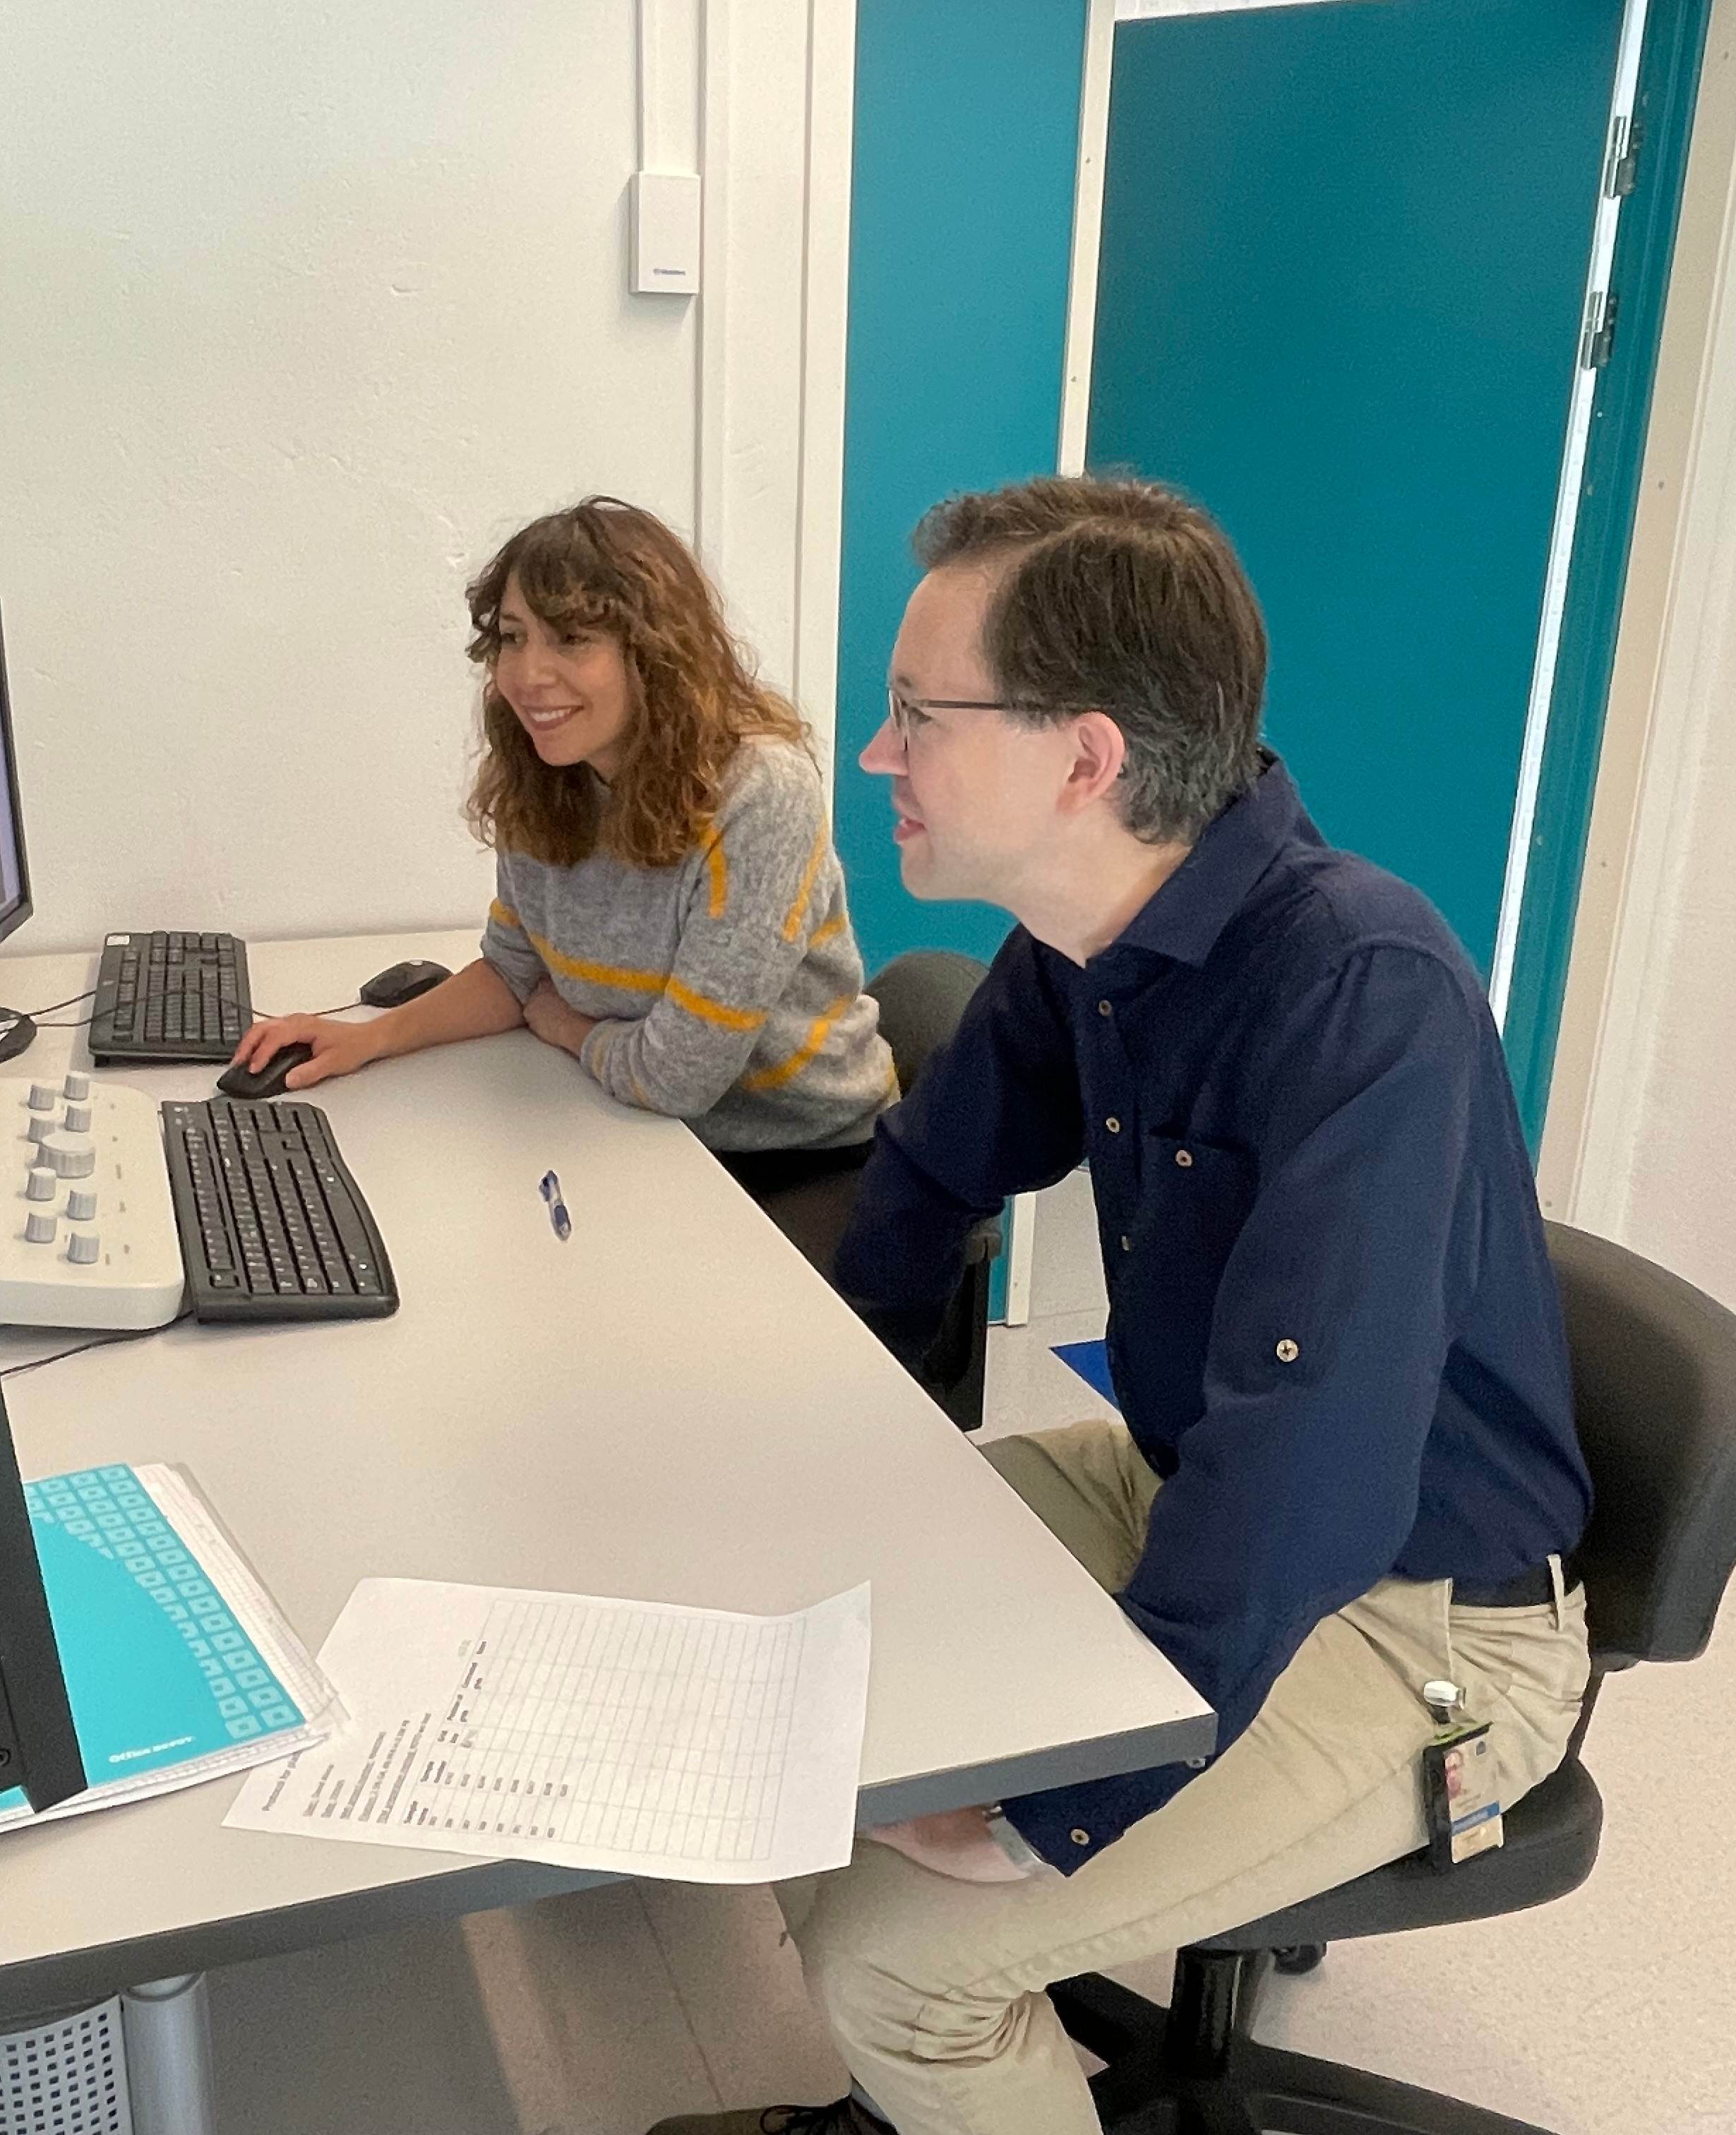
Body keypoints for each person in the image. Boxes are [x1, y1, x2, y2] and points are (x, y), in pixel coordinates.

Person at [650, 476, 1593, 2135]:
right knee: (774, 1656)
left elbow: (1311, 1476)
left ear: (1081, 759)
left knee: (897, 1962)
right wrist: (811, 1448)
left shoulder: (1361, 994)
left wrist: (1063, 1806)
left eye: (915, 716)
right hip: (1189, 1493)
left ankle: (933, 2040)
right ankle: (946, 2084)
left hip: (1422, 1619)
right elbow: (930, 1183)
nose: (877, 758)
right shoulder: (1083, 939)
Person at [232, 498, 895, 1220]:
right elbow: (517, 974)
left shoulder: (758, 791)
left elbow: (675, 1078)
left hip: (801, 1159)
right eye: (513, 638)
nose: (528, 674)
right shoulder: (550, 772)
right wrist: (368, 1040)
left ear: (655, 651)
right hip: (642, 1132)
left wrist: (563, 1027)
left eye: (572, 639)